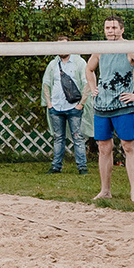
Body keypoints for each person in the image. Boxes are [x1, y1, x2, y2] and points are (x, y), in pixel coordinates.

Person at [87, 17, 134, 204]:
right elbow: (89, 69)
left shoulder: (130, 48)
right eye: (107, 28)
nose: (110, 30)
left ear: (122, 29)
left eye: (114, 27)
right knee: (104, 148)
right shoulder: (100, 49)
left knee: (128, 146)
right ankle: (105, 190)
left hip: (124, 105)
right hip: (101, 105)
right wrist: (93, 87)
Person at [41, 45, 89, 173]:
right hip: (56, 106)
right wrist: (49, 104)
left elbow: (86, 83)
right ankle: (56, 166)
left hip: (74, 106)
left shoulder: (79, 62)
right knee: (58, 137)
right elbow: (46, 84)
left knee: (77, 137)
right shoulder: (52, 64)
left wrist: (81, 104)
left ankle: (82, 167)